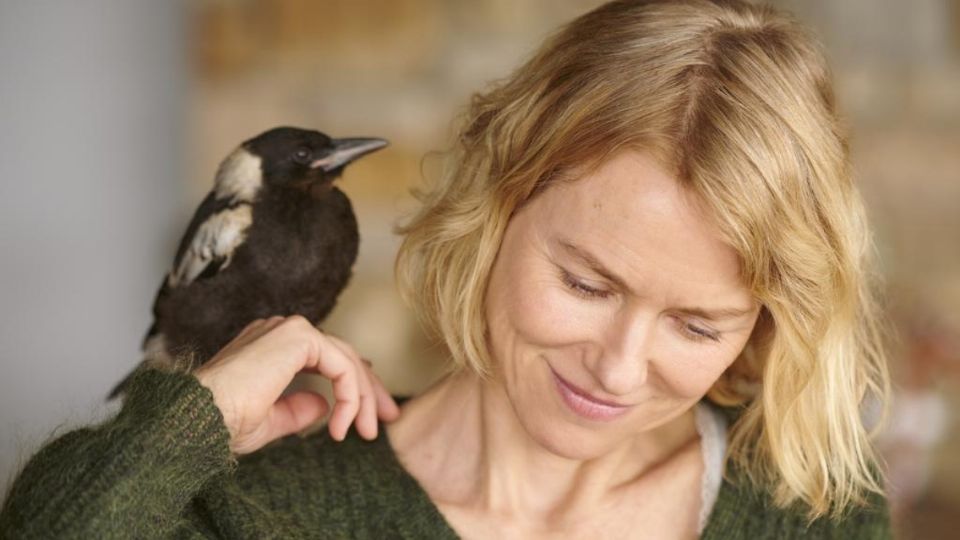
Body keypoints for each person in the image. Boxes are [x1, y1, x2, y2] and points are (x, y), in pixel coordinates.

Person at [0, 0, 893, 538]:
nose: (619, 369)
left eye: (699, 324)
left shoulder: (805, 505)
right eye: (586, 283)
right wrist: (182, 428)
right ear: (493, 209)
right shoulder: (264, 509)